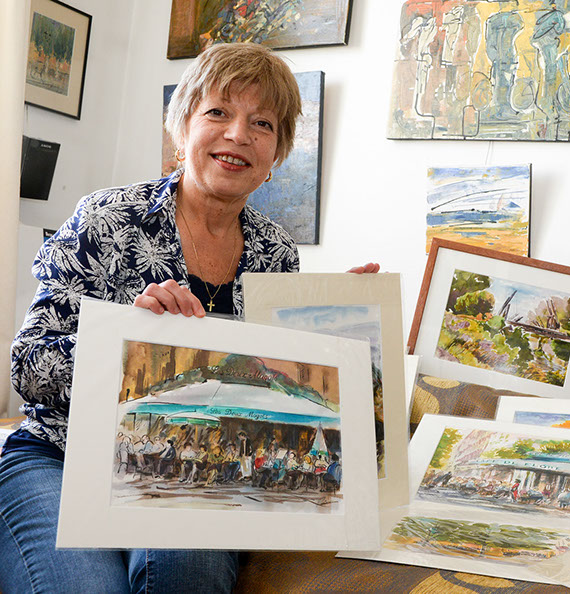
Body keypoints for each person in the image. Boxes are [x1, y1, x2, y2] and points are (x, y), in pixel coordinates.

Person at [0, 42, 377, 593]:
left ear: (276, 154)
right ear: (181, 129)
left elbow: (273, 381)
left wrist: (341, 321)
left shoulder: (276, 252)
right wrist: (125, 340)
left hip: (197, 469)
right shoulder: (107, 218)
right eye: (218, 112)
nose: (239, 135)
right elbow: (27, 369)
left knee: (188, 572)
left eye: (262, 123)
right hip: (61, 454)